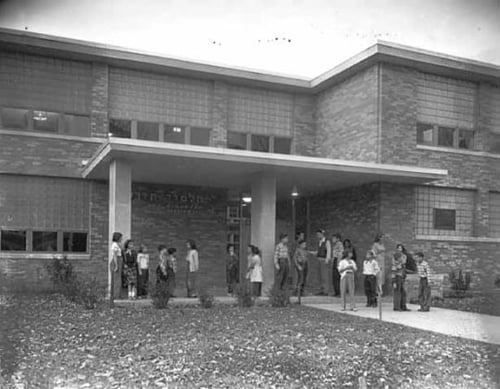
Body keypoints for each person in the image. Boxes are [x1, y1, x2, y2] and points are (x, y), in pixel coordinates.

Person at [310, 229, 331, 296]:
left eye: (319, 234)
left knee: (324, 275)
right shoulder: (319, 242)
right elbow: (318, 251)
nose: (318, 236)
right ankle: (320, 289)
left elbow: (328, 251)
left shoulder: (326, 241)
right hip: (318, 259)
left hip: (324, 259)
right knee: (319, 275)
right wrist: (313, 253)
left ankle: (326, 290)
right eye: (317, 235)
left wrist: (327, 259)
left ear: (322, 234)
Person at [396, 243, 412, 311]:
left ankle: (403, 306)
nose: (399, 249)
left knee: (403, 291)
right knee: (399, 291)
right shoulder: (395, 256)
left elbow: (403, 262)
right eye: (398, 248)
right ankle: (398, 306)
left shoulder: (404, 256)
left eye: (400, 248)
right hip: (397, 275)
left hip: (402, 274)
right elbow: (396, 264)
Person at [109, 232, 123, 300]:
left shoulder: (117, 245)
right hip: (116, 261)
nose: (121, 239)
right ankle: (115, 295)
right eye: (120, 237)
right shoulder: (115, 245)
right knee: (116, 279)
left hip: (119, 260)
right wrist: (116, 265)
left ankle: (117, 294)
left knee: (118, 278)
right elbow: (114, 255)